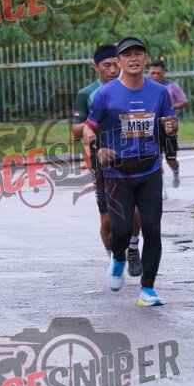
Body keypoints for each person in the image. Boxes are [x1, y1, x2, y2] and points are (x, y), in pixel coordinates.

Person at [84, 36, 178, 307]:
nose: (133, 59)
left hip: (149, 170)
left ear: (145, 59)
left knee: (152, 229)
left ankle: (147, 289)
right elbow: (90, 127)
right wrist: (98, 148)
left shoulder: (159, 92)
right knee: (122, 231)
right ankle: (118, 258)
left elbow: (170, 123)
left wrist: (172, 127)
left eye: (138, 54)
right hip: (117, 174)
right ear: (120, 61)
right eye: (127, 55)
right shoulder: (105, 94)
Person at [72, 44, 142, 276]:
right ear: (97, 68)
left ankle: (133, 248)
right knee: (107, 220)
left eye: (115, 64)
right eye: (106, 65)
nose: (112, 70)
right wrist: (98, 118)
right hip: (101, 161)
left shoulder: (133, 88)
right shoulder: (87, 94)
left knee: (135, 212)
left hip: (131, 156)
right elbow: (75, 131)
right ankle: (114, 259)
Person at [148, 59, 188, 189]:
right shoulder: (144, 86)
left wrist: (167, 107)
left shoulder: (172, 86)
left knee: (171, 160)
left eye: (158, 73)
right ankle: (160, 188)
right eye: (152, 73)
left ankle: (176, 172)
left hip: (169, 126)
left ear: (164, 72)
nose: (155, 76)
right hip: (152, 126)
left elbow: (183, 101)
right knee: (156, 158)